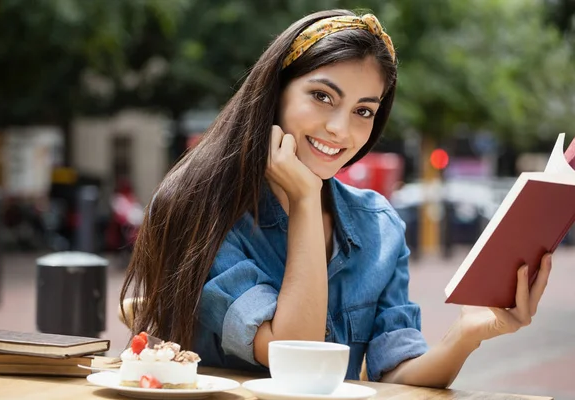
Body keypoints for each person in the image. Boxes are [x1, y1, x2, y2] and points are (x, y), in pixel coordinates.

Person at [120, 9, 552, 388]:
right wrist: (306, 201)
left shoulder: (379, 225)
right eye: (322, 97)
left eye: (364, 110)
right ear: (276, 93)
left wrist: (468, 334)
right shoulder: (200, 210)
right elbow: (296, 352)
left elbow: (396, 373)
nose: (340, 130)